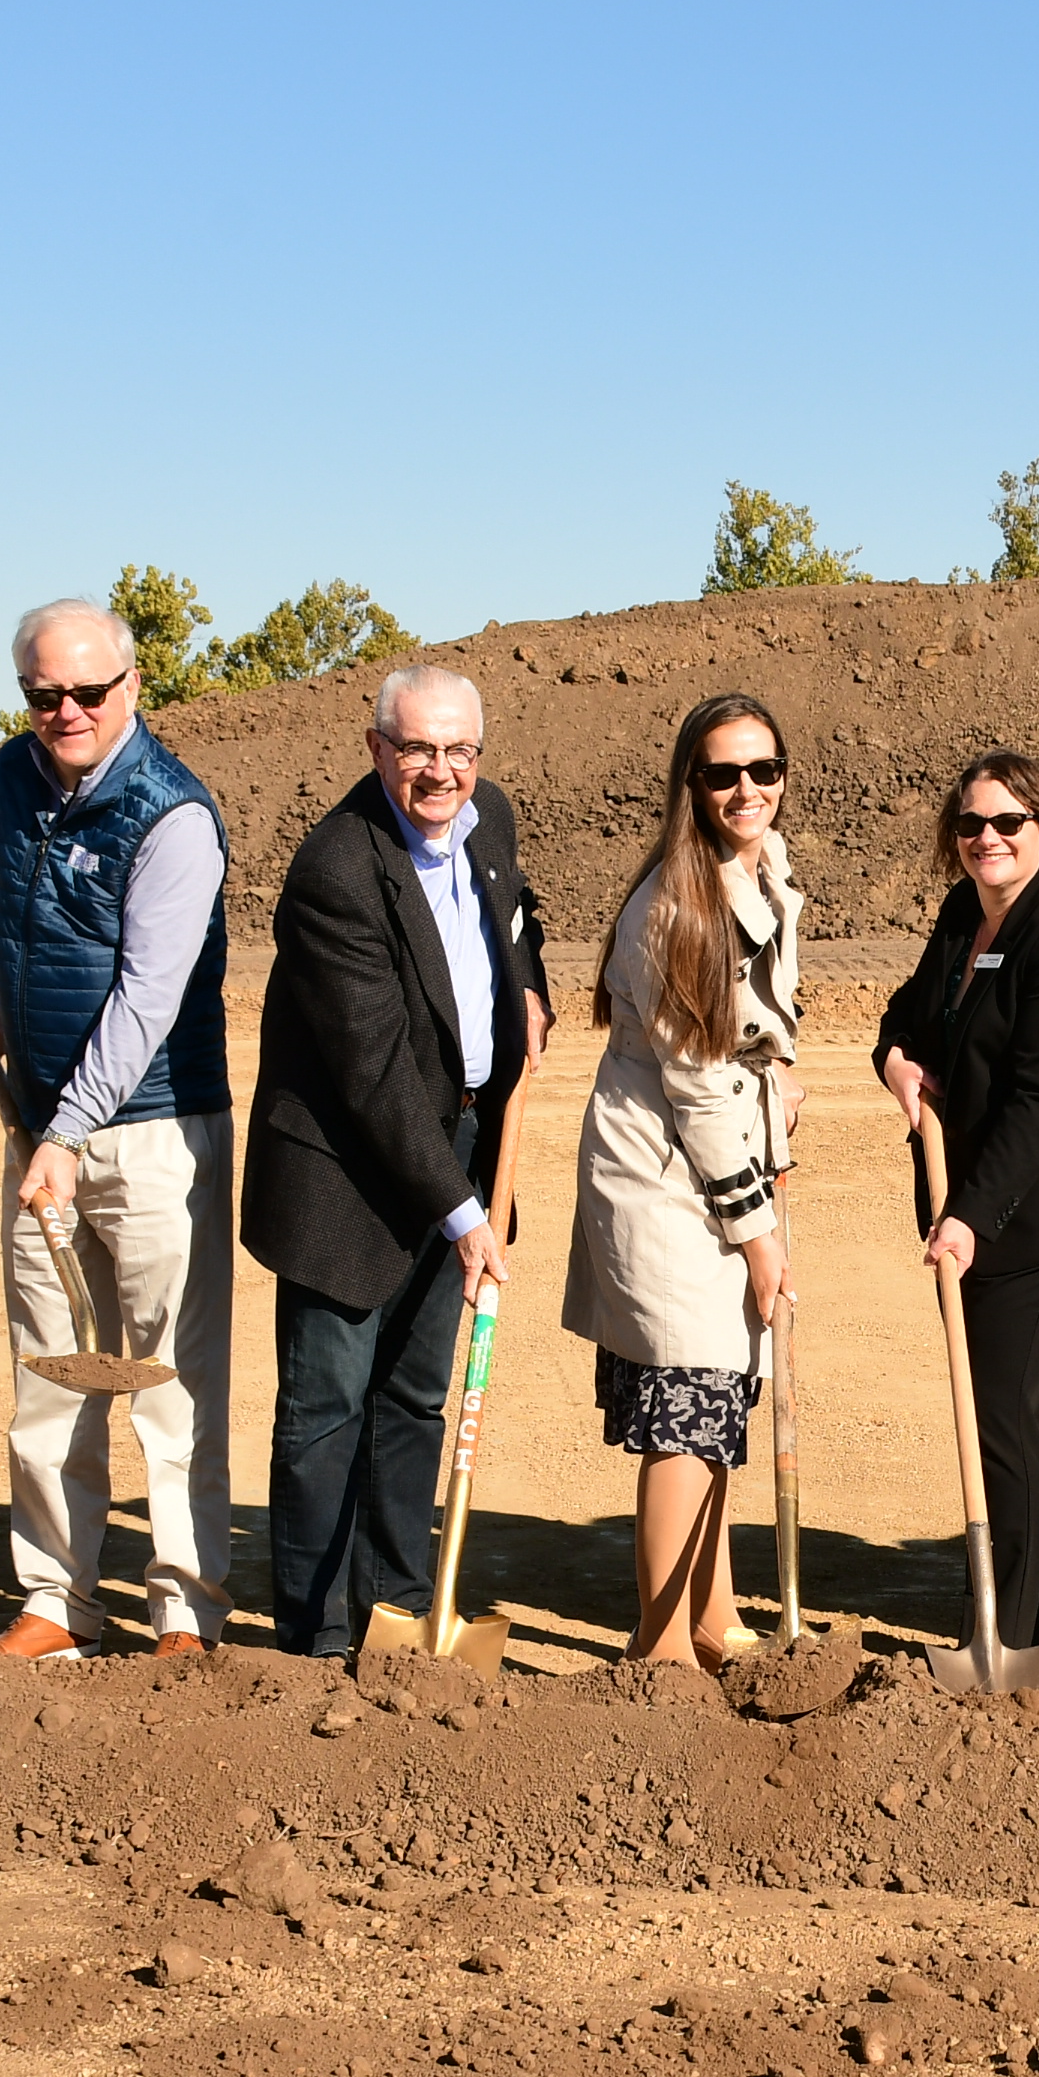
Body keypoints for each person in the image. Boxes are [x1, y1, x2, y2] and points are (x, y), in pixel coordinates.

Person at [243, 665, 549, 1659]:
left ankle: (399, 1608)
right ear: (377, 748)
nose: (440, 770)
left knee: (417, 1394)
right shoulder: (336, 868)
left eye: (459, 749)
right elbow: (370, 1073)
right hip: (345, 1171)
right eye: (417, 748)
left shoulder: (486, 817)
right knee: (328, 1404)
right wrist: (466, 1218)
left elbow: (515, 918)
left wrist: (530, 989)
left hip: (456, 1136)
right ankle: (318, 1635)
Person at [0, 598, 236, 1659]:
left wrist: (68, 1133)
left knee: (170, 1384)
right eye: (43, 694)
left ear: (132, 687)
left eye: (87, 691)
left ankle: (182, 1613)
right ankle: (55, 1601)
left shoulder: (174, 815)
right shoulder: (15, 776)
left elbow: (149, 997)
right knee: (49, 1372)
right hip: (42, 1132)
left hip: (155, 1132)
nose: (65, 710)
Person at [873, 750, 1039, 1676]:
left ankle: (1016, 1635)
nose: (988, 839)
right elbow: (907, 1012)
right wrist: (895, 1058)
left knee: (1000, 1407)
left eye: (1008, 824)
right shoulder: (964, 917)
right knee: (1029, 1407)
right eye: (972, 825)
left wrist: (970, 1216)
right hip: (984, 1208)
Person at [562, 695, 804, 1666]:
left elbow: (755, 1031)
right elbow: (700, 1093)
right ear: (689, 785)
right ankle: (658, 1653)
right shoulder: (676, 906)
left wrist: (779, 1079)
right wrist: (758, 1235)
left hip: (723, 1154)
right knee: (690, 1405)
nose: (747, 789)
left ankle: (715, 1618)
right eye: (722, 773)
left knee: (718, 1399)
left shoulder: (764, 870)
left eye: (764, 768)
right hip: (668, 1182)